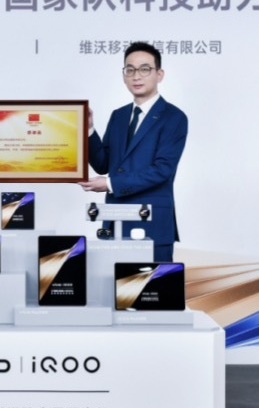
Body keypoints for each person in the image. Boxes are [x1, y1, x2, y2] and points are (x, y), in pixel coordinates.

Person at [78, 42, 188, 261]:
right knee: (112, 283)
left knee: (153, 284)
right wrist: (89, 129)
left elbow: (162, 170)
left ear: (159, 74)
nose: (136, 76)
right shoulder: (118, 116)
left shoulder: (174, 117)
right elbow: (103, 164)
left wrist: (110, 184)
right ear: (124, 75)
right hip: (115, 220)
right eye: (130, 70)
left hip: (151, 222)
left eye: (144, 69)